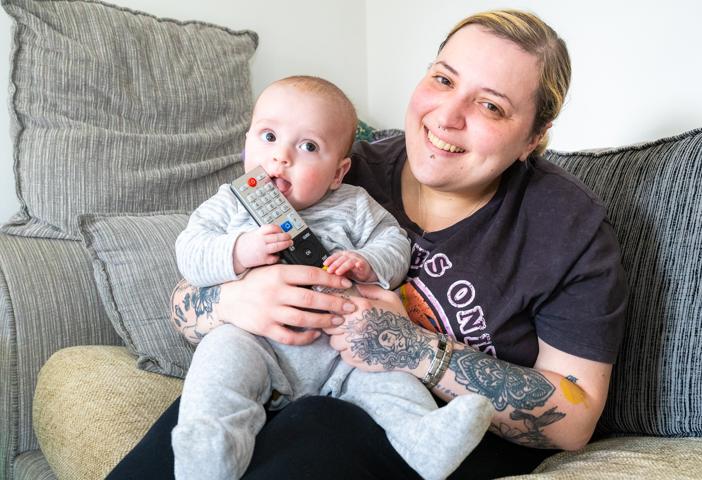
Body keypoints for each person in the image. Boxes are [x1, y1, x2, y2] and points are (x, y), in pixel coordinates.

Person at [109, 9, 627, 480]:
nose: (447, 116)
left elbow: (575, 418)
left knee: (316, 428)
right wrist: (238, 299)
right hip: (279, 375)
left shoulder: (567, 227)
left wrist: (414, 350)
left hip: (414, 422)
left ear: (533, 138)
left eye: (490, 106)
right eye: (443, 79)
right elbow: (185, 301)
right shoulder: (341, 167)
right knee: (187, 437)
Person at [170, 75, 494, 480]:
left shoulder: (355, 204)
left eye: (308, 147)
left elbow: (395, 243)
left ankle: (425, 438)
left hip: (344, 353)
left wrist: (366, 262)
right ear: (246, 144)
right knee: (218, 363)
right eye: (268, 136)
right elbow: (190, 251)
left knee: (391, 376)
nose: (282, 157)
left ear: (339, 172)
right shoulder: (228, 204)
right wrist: (238, 251)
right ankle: (211, 451)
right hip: (255, 344)